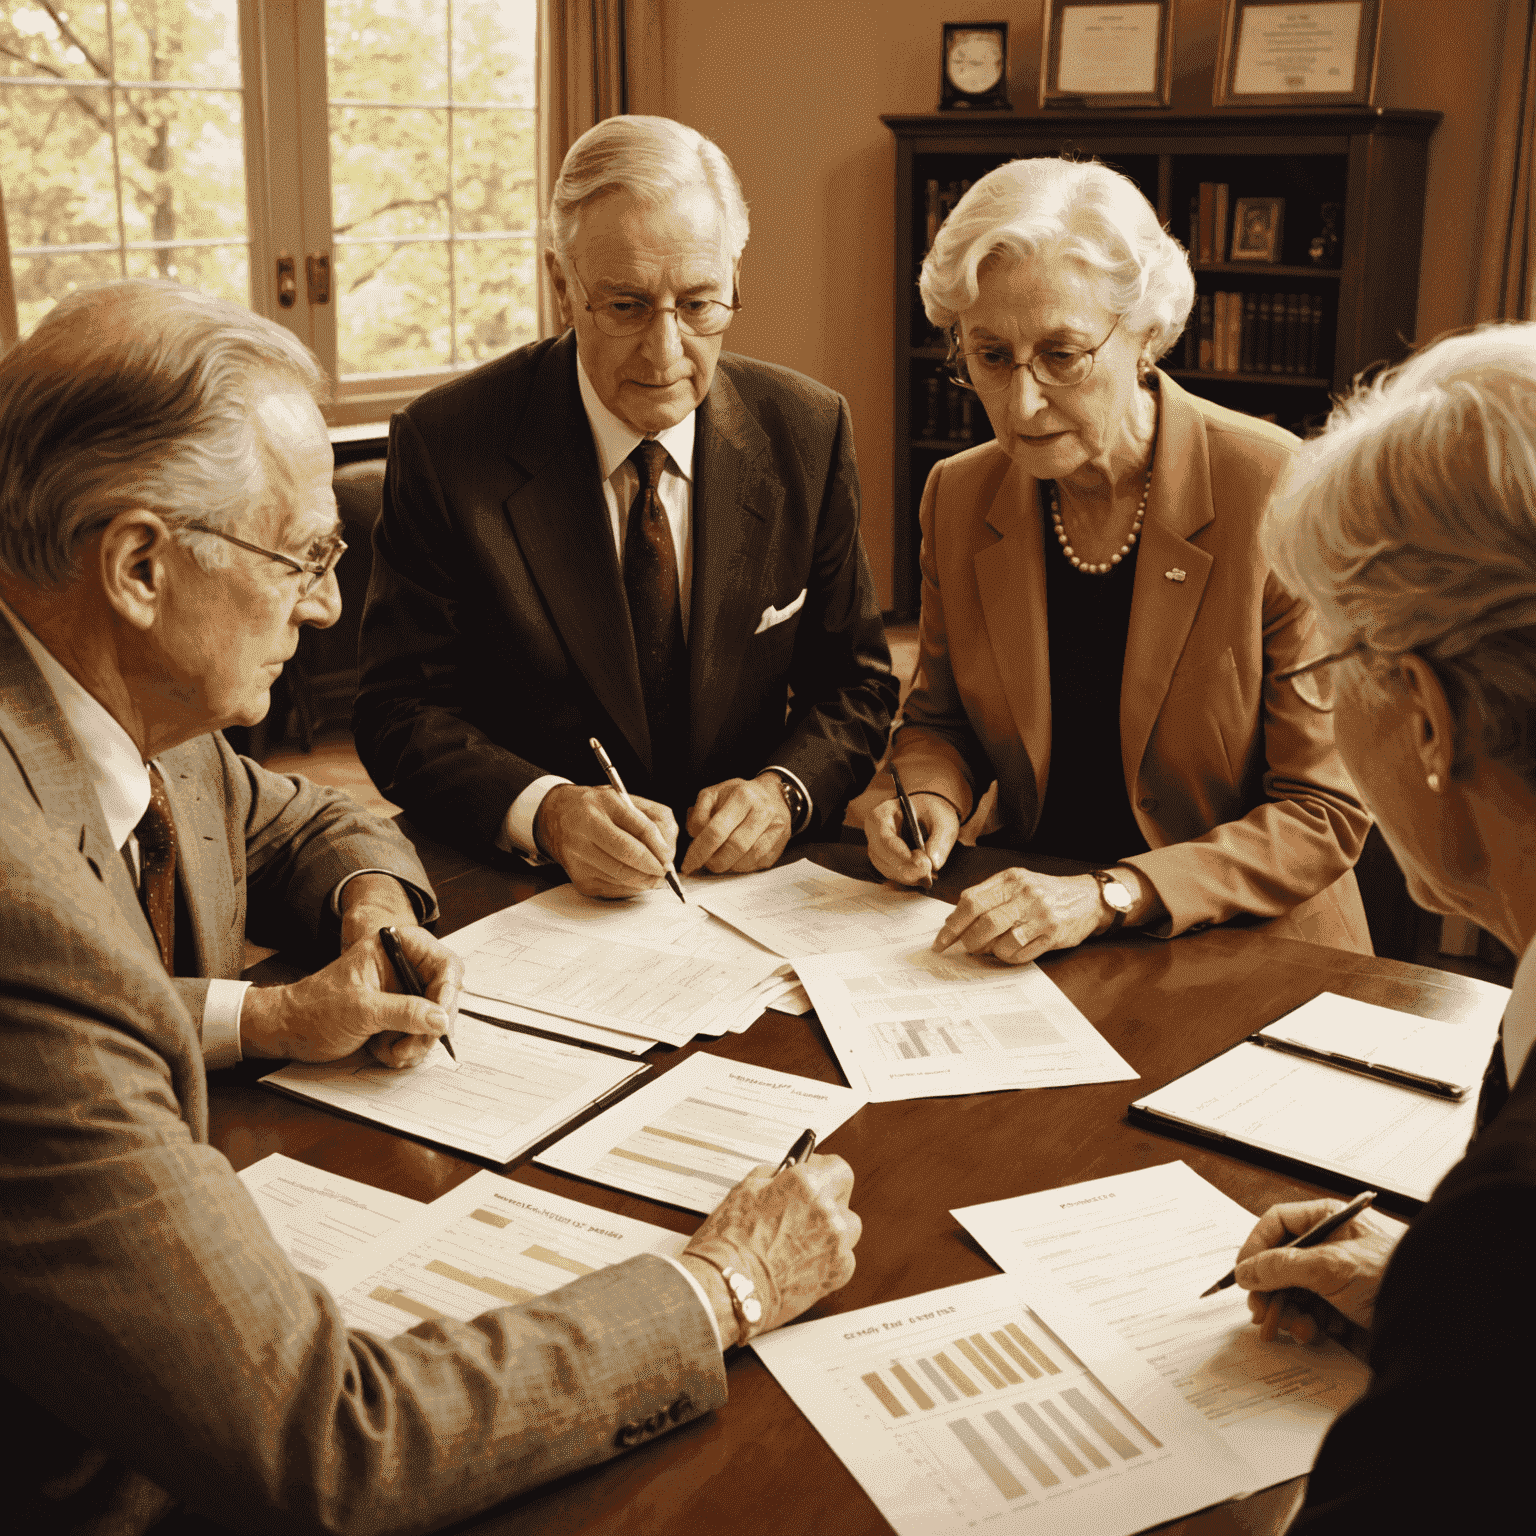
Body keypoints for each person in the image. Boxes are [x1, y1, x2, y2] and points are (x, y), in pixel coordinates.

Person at [0, 281, 861, 1535]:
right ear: (139, 564)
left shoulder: (107, 689)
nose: (329, 606)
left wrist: (368, 910)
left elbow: (305, 819)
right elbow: (328, 1446)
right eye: (300, 556)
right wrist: (718, 1287)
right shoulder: (26, 921)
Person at [353, 115, 896, 899]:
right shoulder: (447, 444)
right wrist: (547, 812)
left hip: (749, 894)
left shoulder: (808, 429)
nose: (666, 352)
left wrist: (783, 791)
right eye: (627, 306)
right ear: (562, 284)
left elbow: (858, 686)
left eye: (700, 304)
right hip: (530, 894)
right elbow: (398, 712)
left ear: (736, 280)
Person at [865, 157, 1371, 962]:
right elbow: (940, 721)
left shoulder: (1274, 489)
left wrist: (1110, 894)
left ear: (1146, 334)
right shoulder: (958, 496)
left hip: (1253, 947)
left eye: (1061, 354)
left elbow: (1321, 811)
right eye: (991, 357)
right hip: (1034, 931)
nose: (1022, 403)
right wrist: (927, 797)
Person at [1227, 324, 1536, 1529]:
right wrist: (1424, 1293)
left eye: (1333, 664)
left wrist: (1463, 1302)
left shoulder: (1504, 1241)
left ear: (1427, 714)